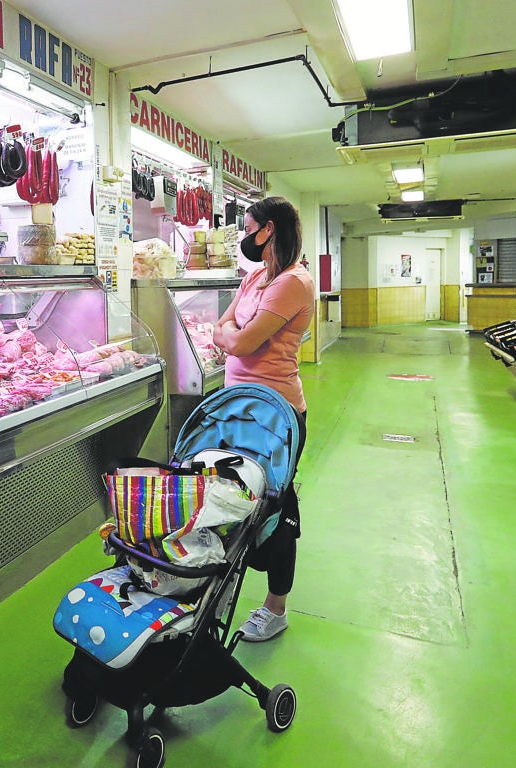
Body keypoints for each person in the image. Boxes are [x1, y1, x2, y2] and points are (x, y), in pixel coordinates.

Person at [211, 196, 314, 642]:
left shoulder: (295, 281)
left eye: (248, 227)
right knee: (232, 499)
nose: (243, 237)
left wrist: (231, 336)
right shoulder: (255, 276)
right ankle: (224, 583)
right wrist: (231, 335)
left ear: (268, 230)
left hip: (275, 415)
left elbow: (238, 341)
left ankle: (276, 608)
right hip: (238, 408)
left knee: (275, 506)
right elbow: (223, 327)